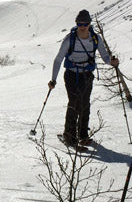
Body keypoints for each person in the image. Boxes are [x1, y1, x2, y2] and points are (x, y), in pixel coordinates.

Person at [49, 10, 118, 149]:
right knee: (75, 103)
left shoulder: (95, 39)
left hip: (86, 75)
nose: (82, 26)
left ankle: (82, 135)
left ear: (89, 24)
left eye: (85, 23)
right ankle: (70, 136)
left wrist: (111, 62)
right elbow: (58, 59)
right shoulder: (70, 39)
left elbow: (104, 56)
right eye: (79, 23)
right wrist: (53, 80)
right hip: (71, 75)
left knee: (85, 104)